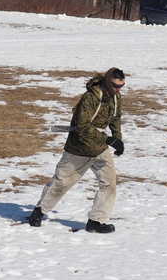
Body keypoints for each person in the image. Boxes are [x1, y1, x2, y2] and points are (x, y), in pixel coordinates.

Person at [28, 68, 126, 233]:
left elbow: (115, 118)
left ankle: (96, 221)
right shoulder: (90, 98)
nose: (119, 89)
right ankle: (39, 211)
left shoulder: (116, 98)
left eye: (121, 86)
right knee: (61, 183)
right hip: (79, 147)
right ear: (108, 82)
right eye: (116, 86)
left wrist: (118, 138)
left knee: (109, 184)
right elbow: (82, 127)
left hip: (99, 149)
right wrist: (108, 139)